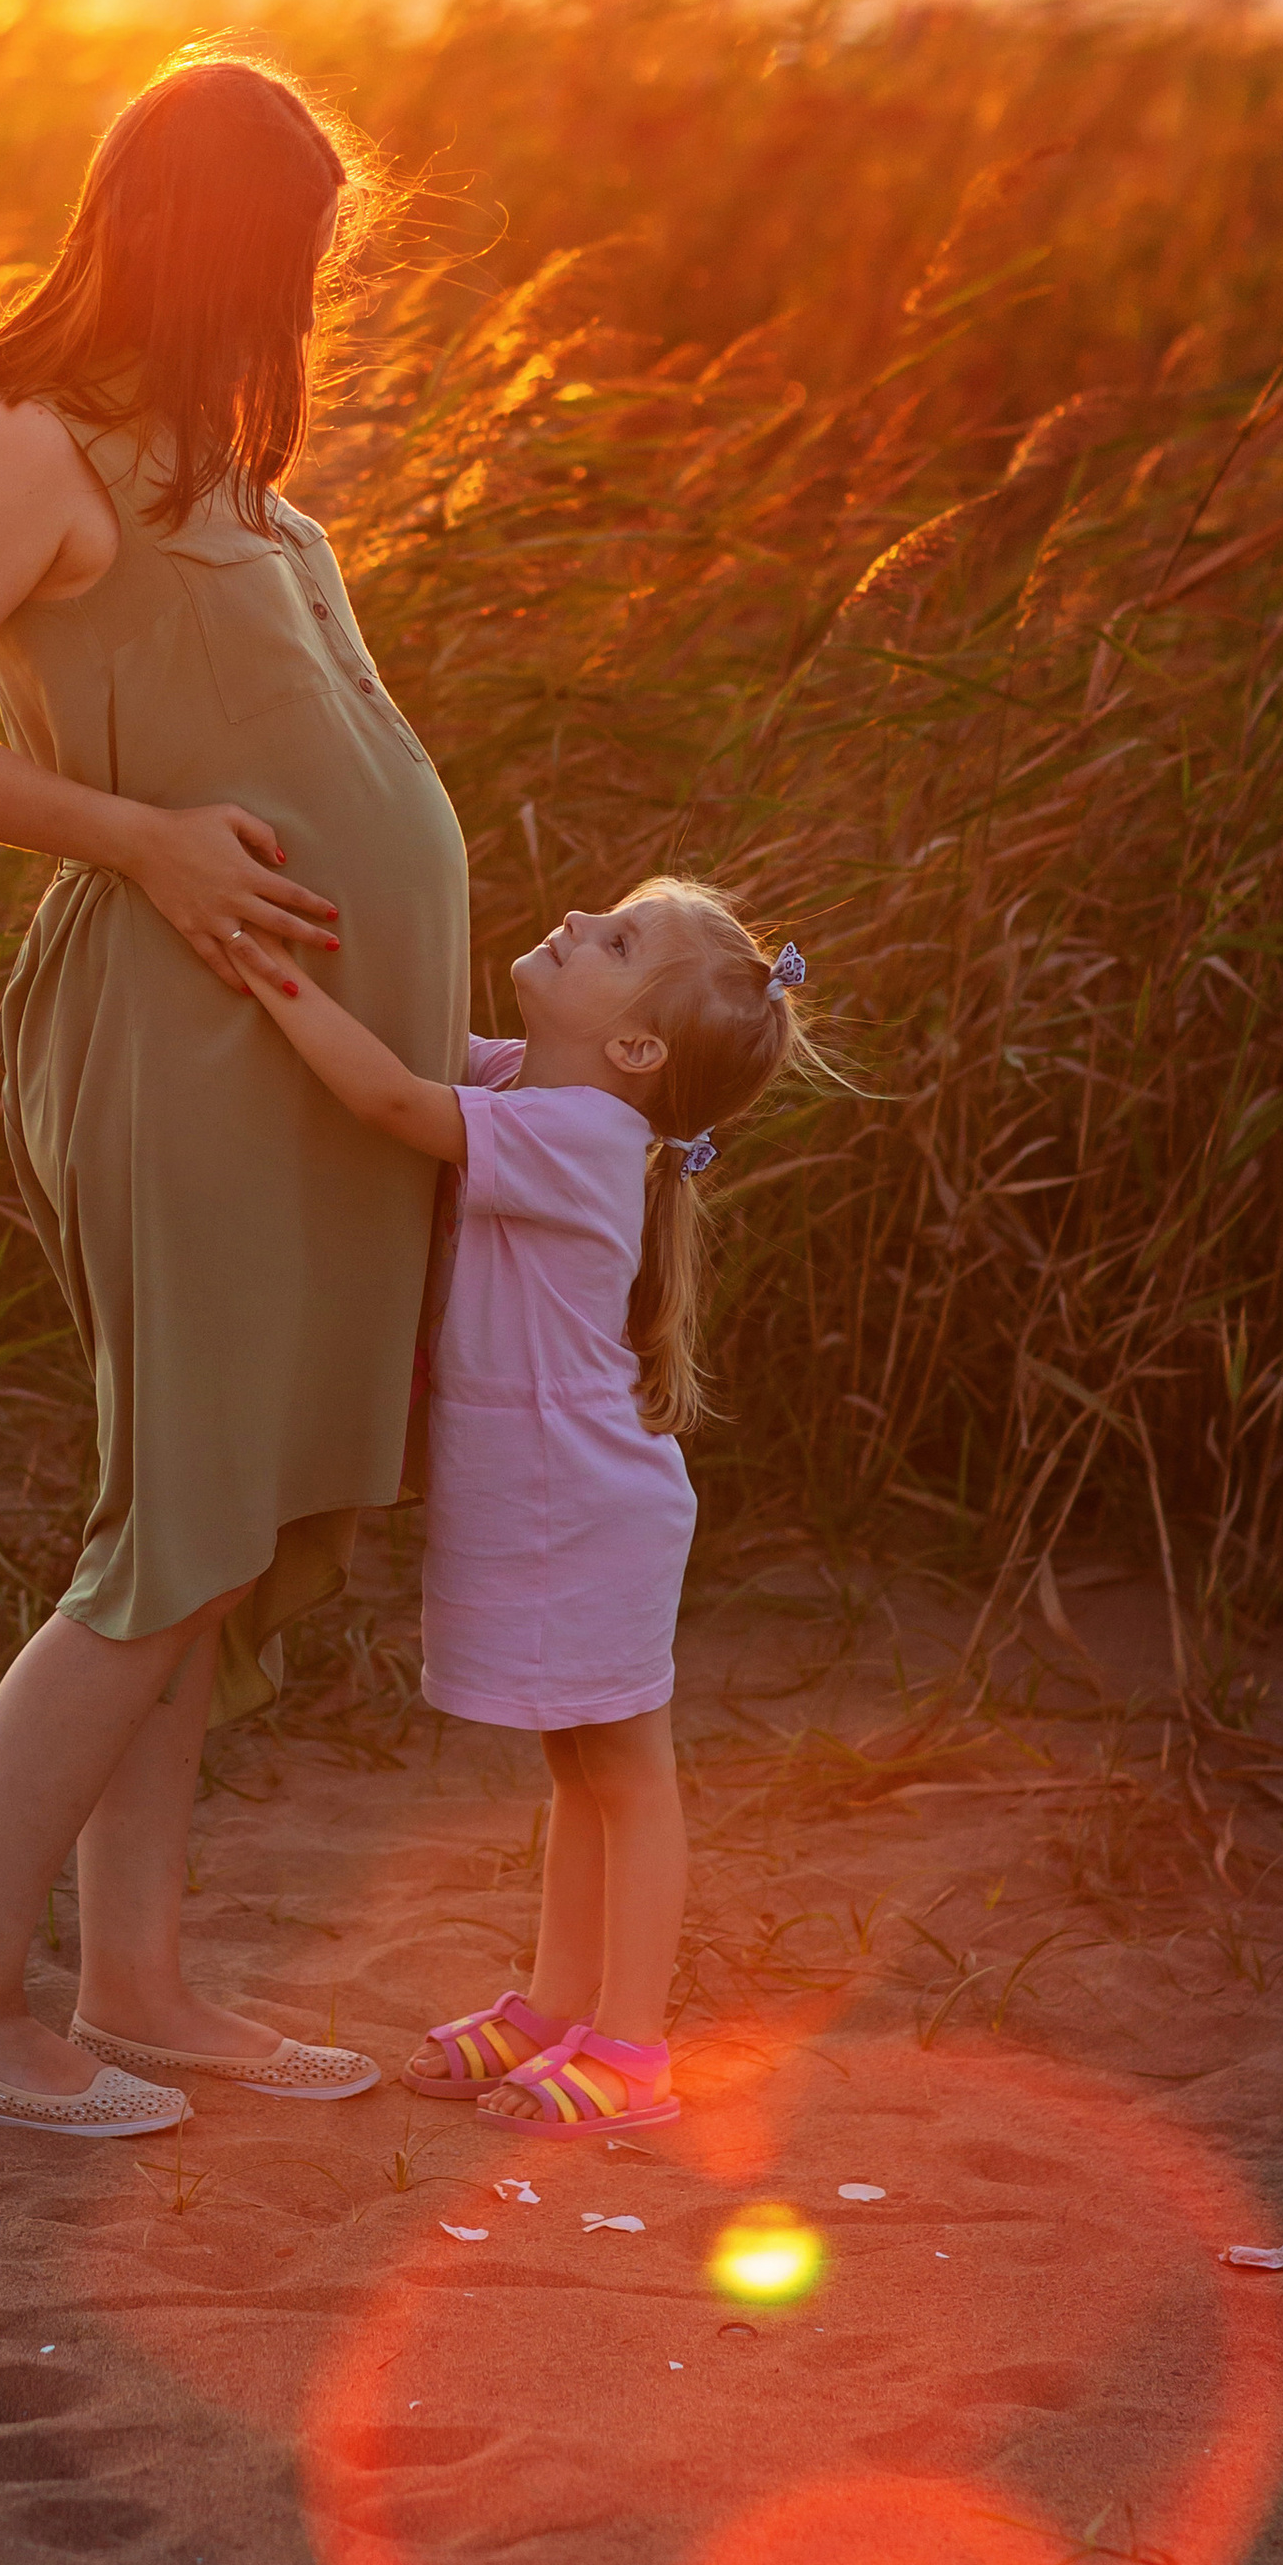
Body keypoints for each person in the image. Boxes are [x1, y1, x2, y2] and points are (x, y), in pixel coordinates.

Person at [0, 54, 469, 2138]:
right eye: (291, 259)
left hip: (289, 1064)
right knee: (160, 1536)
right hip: (172, 1041)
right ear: (212, 245)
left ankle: (143, 1986)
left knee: (222, 1533)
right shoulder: (40, 442)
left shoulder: (224, 465)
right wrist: (143, 839)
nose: (309, 299)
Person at [234, 878, 815, 2137]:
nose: (576, 923)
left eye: (616, 942)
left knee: (624, 1771)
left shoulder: (584, 1135)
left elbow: (388, 1098)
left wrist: (262, 972)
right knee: (575, 1767)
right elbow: (417, 1054)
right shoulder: (530, 1086)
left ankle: (635, 2049)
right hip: (550, 1499)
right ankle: (556, 2011)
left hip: (587, 1511)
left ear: (636, 1051)